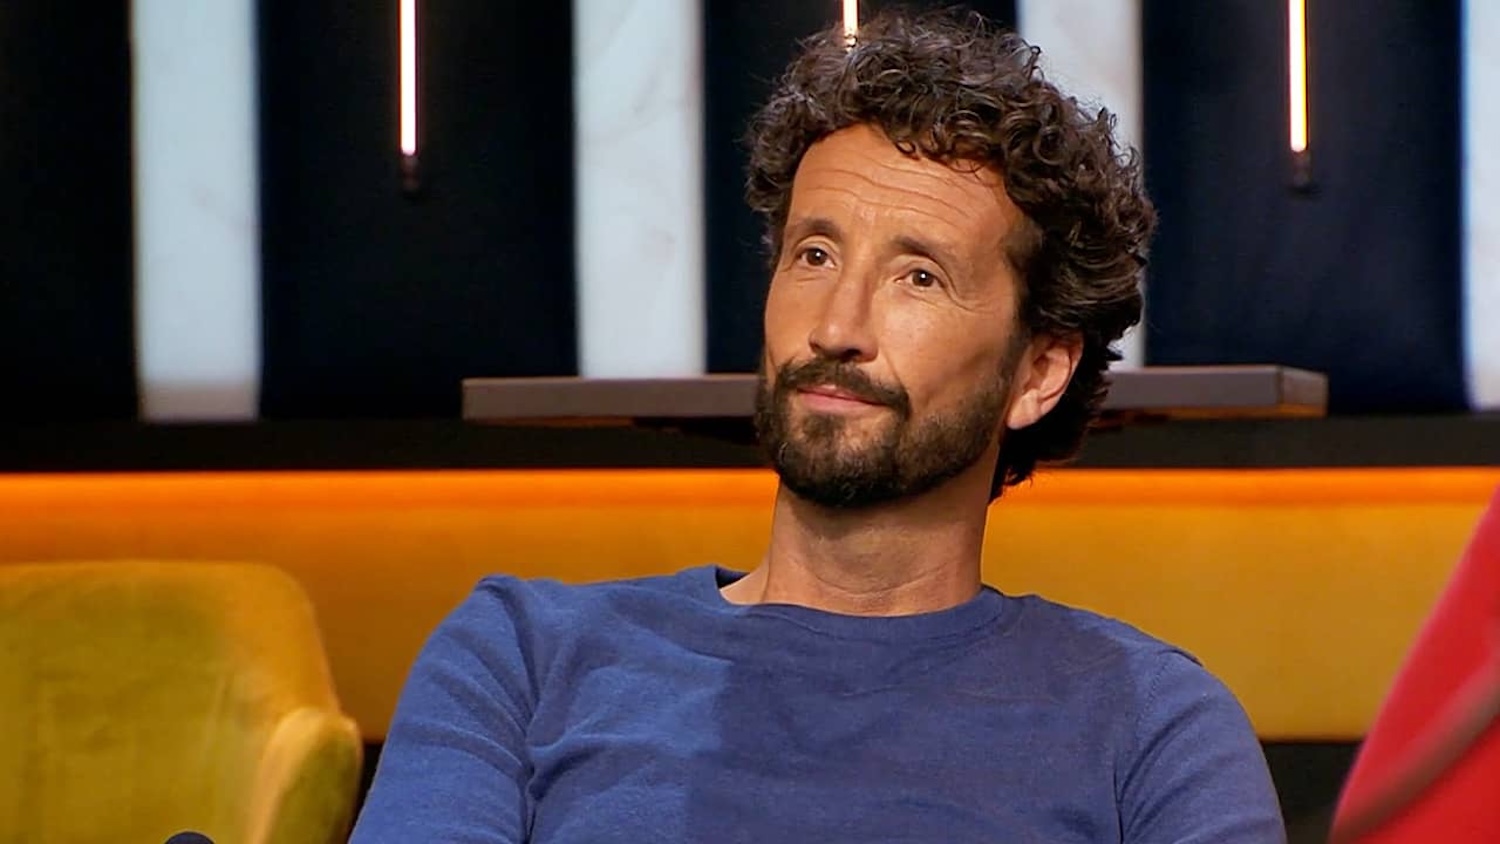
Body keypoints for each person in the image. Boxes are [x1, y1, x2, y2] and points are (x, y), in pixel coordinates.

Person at [351, 9, 1286, 843]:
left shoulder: (1150, 724)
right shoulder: (523, 656)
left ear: (1038, 371)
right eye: (814, 254)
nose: (837, 328)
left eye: (919, 277)